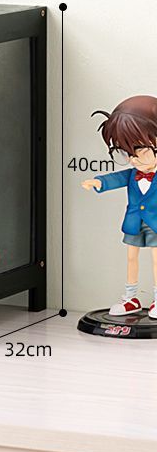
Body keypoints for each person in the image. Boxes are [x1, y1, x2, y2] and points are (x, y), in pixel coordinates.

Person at [82, 95, 157, 319]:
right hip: (134, 223)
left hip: (155, 224)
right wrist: (99, 182)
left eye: (139, 150)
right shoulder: (133, 173)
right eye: (126, 153)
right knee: (131, 258)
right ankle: (131, 297)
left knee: (156, 259)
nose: (133, 159)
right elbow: (117, 178)